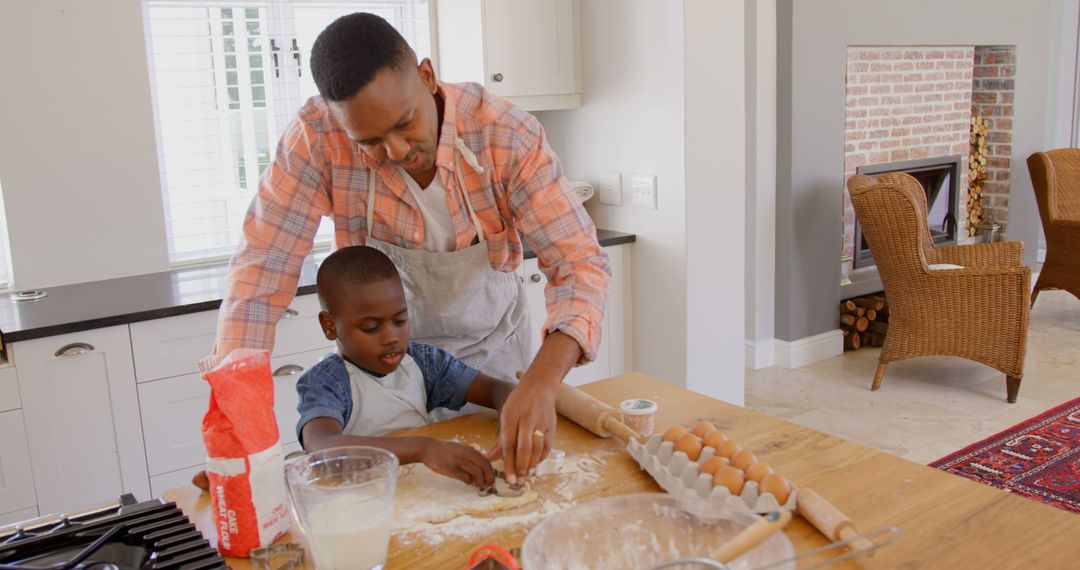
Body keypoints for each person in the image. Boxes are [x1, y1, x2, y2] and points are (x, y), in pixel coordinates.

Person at [203, 13, 610, 483]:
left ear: (426, 76)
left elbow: (580, 264)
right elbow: (260, 273)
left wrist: (539, 385)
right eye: (370, 142)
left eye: (404, 123)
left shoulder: (504, 134)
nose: (395, 151)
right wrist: (235, 434)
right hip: (378, 388)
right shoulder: (316, 138)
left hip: (488, 371)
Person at [296, 246, 515, 488]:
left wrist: (511, 426)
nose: (391, 337)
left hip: (417, 490)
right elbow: (322, 446)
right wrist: (422, 448)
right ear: (330, 326)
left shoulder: (423, 362)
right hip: (363, 498)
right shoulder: (327, 382)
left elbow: (498, 391)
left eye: (400, 321)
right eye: (370, 327)